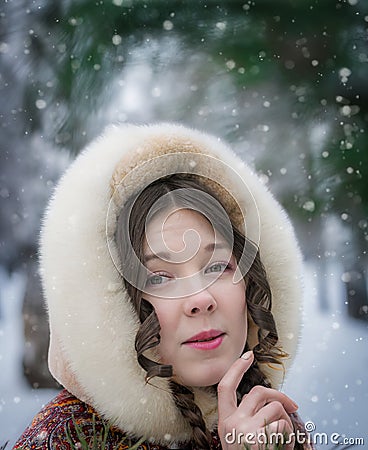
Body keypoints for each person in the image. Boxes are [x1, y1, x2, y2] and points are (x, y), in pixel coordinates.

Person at [13, 123, 314, 450]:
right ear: (116, 308)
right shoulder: (66, 439)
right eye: (158, 278)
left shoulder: (269, 418)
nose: (201, 298)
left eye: (217, 267)